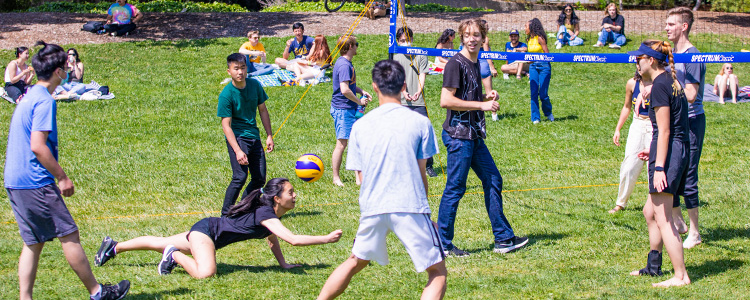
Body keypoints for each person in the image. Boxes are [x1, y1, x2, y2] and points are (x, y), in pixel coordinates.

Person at [4, 41, 130, 300]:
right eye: (66, 67)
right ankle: (98, 293)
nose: (69, 69)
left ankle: (24, 298)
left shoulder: (28, 97)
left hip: (15, 181)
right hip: (34, 182)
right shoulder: (43, 101)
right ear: (59, 72)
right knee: (69, 234)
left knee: (34, 242)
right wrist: (62, 177)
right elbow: (38, 147)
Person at [317, 59, 446, 300]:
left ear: (375, 86)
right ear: (403, 85)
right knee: (437, 271)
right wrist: (427, 214)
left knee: (355, 261)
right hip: (410, 206)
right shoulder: (421, 122)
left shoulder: (360, 125)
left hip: (373, 206)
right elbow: (421, 174)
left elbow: (360, 177)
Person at [94, 178, 343, 279]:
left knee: (156, 240)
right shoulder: (267, 214)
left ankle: (113, 247)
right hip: (207, 233)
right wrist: (326, 238)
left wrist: (283, 264)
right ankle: (174, 255)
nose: (295, 195)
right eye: (291, 192)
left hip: (207, 230)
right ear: (277, 198)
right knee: (206, 273)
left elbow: (273, 239)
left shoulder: (269, 216)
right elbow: (293, 239)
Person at [437, 19, 529, 257]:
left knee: (493, 180)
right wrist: (481, 106)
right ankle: (443, 244)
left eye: (476, 35)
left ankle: (503, 239)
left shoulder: (475, 61)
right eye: (467, 35)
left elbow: (469, 93)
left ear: (483, 37)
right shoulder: (455, 64)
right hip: (459, 136)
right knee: (455, 188)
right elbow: (446, 101)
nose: (472, 39)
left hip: (474, 135)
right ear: (461, 37)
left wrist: (488, 95)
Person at [627, 40, 691, 287]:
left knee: (664, 217)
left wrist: (660, 167)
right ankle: (653, 267)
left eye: (638, 58)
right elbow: (670, 128)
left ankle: (680, 276)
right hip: (672, 149)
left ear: (651, 60)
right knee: (649, 211)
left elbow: (664, 131)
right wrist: (651, 150)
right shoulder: (668, 81)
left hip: (670, 153)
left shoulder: (661, 86)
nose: (636, 62)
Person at [665, 7, 706, 249]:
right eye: (666, 23)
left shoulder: (693, 55)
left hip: (691, 121)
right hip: (674, 120)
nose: (667, 27)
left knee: (689, 175)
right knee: (674, 171)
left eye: (672, 24)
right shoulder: (670, 53)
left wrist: (664, 92)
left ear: (684, 26)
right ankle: (679, 222)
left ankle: (695, 232)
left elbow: (690, 94)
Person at [218, 53, 274, 216]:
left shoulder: (255, 85)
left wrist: (269, 135)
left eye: (242, 68)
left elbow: (263, 110)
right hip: (238, 138)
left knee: (259, 178)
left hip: (254, 136)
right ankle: (225, 214)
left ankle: (243, 208)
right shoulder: (227, 94)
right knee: (240, 177)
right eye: (236, 69)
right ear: (229, 71)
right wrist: (238, 151)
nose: (240, 72)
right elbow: (226, 126)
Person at [393, 26, 437, 178]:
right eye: (402, 41)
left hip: (418, 102)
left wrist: (418, 91)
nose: (406, 43)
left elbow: (423, 74)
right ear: (398, 42)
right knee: (402, 134)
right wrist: (404, 92)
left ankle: (428, 166)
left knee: (424, 134)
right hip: (402, 101)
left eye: (408, 40)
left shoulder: (420, 54)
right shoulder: (395, 55)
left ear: (412, 39)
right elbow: (398, 77)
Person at [330, 35, 371, 187]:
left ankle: (358, 178)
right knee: (341, 144)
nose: (357, 47)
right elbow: (345, 89)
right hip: (343, 109)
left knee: (355, 142)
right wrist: (359, 101)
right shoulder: (344, 65)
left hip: (348, 107)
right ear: (350, 46)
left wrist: (361, 90)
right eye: (356, 44)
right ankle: (336, 178)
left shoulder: (346, 63)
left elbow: (350, 85)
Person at [609, 68, 652, 214]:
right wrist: (618, 129)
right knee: (629, 165)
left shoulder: (659, 83)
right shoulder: (632, 83)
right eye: (637, 64)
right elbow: (627, 106)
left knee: (653, 167)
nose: (639, 67)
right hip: (637, 123)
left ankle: (655, 203)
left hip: (655, 124)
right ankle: (620, 203)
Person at [526, 18, 554, 124]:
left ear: (531, 27)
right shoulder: (529, 40)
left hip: (544, 66)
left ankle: (548, 113)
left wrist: (537, 59)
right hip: (533, 66)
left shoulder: (540, 38)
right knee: (533, 93)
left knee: (543, 94)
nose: (525, 29)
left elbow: (547, 55)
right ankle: (535, 118)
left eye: (526, 26)